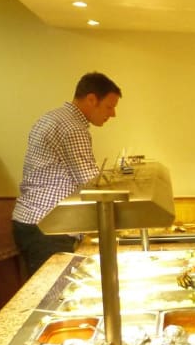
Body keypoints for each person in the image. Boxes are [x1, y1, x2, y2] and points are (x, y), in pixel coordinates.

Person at [12, 72, 122, 276]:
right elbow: (91, 184)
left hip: (31, 220)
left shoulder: (52, 117)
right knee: (54, 290)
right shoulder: (73, 128)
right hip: (49, 227)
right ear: (92, 99)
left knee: (45, 288)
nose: (113, 114)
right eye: (109, 106)